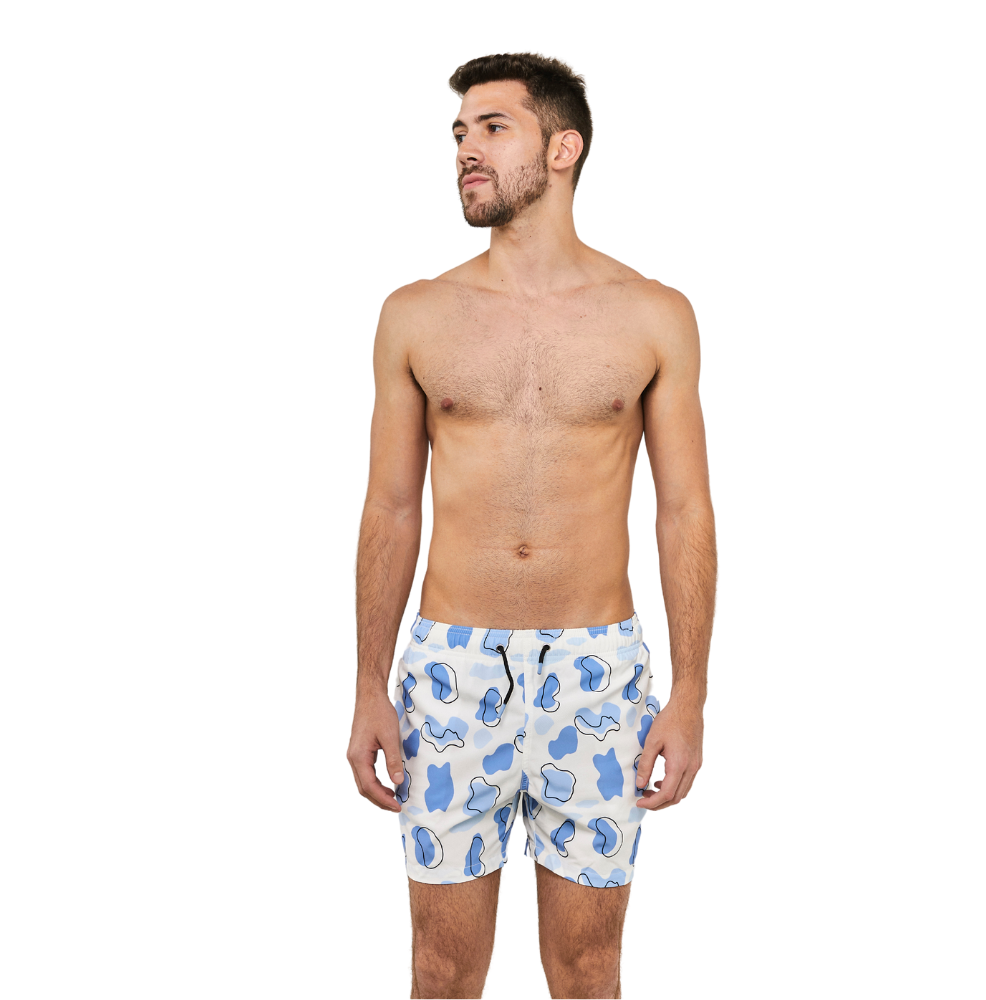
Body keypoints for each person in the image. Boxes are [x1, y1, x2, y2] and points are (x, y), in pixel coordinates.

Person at [347, 52, 716, 1000]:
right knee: (440, 969)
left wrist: (689, 693)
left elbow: (684, 510)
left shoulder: (654, 315)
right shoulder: (416, 314)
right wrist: (368, 684)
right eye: (459, 133)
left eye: (493, 127)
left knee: (588, 969)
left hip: (597, 668)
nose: (466, 150)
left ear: (563, 148)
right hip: (450, 667)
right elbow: (390, 506)